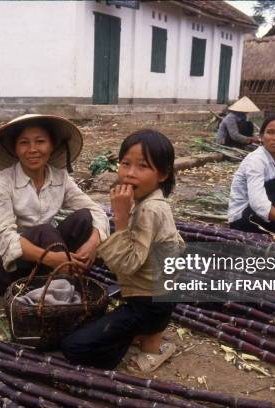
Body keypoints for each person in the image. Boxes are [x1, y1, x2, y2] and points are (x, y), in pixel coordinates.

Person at [61, 129, 185, 372]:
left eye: (142, 166)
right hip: (152, 295)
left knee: (73, 348)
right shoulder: (146, 203)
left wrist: (119, 217)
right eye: (125, 163)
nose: (129, 173)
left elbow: (127, 264)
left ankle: (151, 344)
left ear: (163, 174)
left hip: (150, 303)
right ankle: (144, 333)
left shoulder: (150, 210)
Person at [0, 114, 109, 296]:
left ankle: (60, 280)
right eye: (24, 143)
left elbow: (96, 211)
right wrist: (54, 259)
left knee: (84, 217)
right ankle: (65, 288)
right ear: (15, 148)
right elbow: (5, 237)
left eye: (40, 141)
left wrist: (93, 243)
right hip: (2, 267)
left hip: (43, 260)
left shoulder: (60, 177)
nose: (33, 149)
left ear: (52, 145)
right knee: (44, 230)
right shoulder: (2, 181)